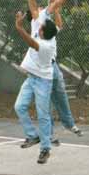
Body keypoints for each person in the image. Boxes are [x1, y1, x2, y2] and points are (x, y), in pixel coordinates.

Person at [21, 0, 86, 146]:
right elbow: (34, 2)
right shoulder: (38, 20)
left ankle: (69, 123)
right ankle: (49, 136)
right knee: (46, 104)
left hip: (52, 66)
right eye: (41, 8)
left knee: (60, 96)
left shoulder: (48, 26)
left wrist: (56, 9)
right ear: (36, 12)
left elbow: (60, 24)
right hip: (42, 70)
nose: (44, 8)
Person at [14, 10, 59, 164]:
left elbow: (30, 41)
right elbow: (56, 23)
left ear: (43, 32)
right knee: (19, 106)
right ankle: (33, 135)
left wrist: (19, 27)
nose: (39, 27)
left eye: (41, 27)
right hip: (31, 78)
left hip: (43, 82)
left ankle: (45, 149)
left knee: (43, 114)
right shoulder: (46, 32)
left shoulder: (46, 45)